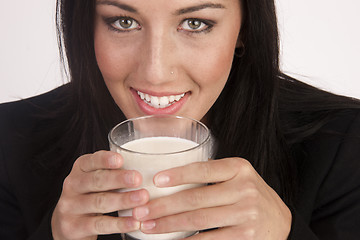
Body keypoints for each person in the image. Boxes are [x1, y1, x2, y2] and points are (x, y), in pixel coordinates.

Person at [1, 0, 359, 239]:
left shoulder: (344, 142)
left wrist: (288, 234)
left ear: (244, 29)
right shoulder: (8, 140)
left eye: (195, 23)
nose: (156, 73)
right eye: (123, 22)